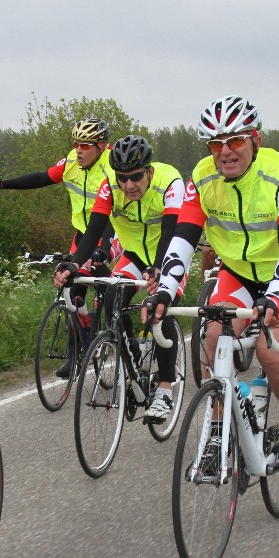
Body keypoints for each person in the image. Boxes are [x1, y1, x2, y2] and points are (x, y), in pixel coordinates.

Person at [146, 95, 279, 479]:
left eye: (235, 140)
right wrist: (165, 290)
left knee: (270, 355)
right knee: (213, 338)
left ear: (255, 140)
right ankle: (218, 433)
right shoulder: (202, 177)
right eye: (216, 144)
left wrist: (276, 294)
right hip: (238, 273)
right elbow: (184, 237)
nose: (225, 152)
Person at [54, 134, 185, 421]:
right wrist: (74, 264)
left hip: (169, 254)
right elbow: (93, 230)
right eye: (122, 178)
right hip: (135, 254)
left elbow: (171, 231)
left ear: (149, 171)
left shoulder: (170, 183)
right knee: (112, 297)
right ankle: (134, 361)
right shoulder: (109, 187)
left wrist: (160, 268)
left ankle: (165, 388)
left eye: (136, 177)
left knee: (160, 310)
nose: (129, 185)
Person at [0, 118, 112, 375]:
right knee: (72, 289)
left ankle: (120, 337)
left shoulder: (112, 167)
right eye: (76, 144)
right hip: (83, 233)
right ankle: (77, 351)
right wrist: (1, 183)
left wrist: (102, 250)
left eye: (85, 145)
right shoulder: (71, 161)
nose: (78, 150)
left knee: (111, 290)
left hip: (110, 232)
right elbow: (41, 178)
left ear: (101, 146)